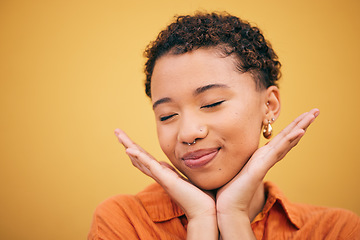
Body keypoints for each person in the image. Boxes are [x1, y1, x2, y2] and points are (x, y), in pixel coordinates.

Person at [88, 12, 360, 239]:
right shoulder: (124, 222)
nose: (188, 133)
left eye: (211, 103)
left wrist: (234, 218)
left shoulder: (334, 230)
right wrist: (200, 219)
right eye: (167, 115)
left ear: (269, 106)